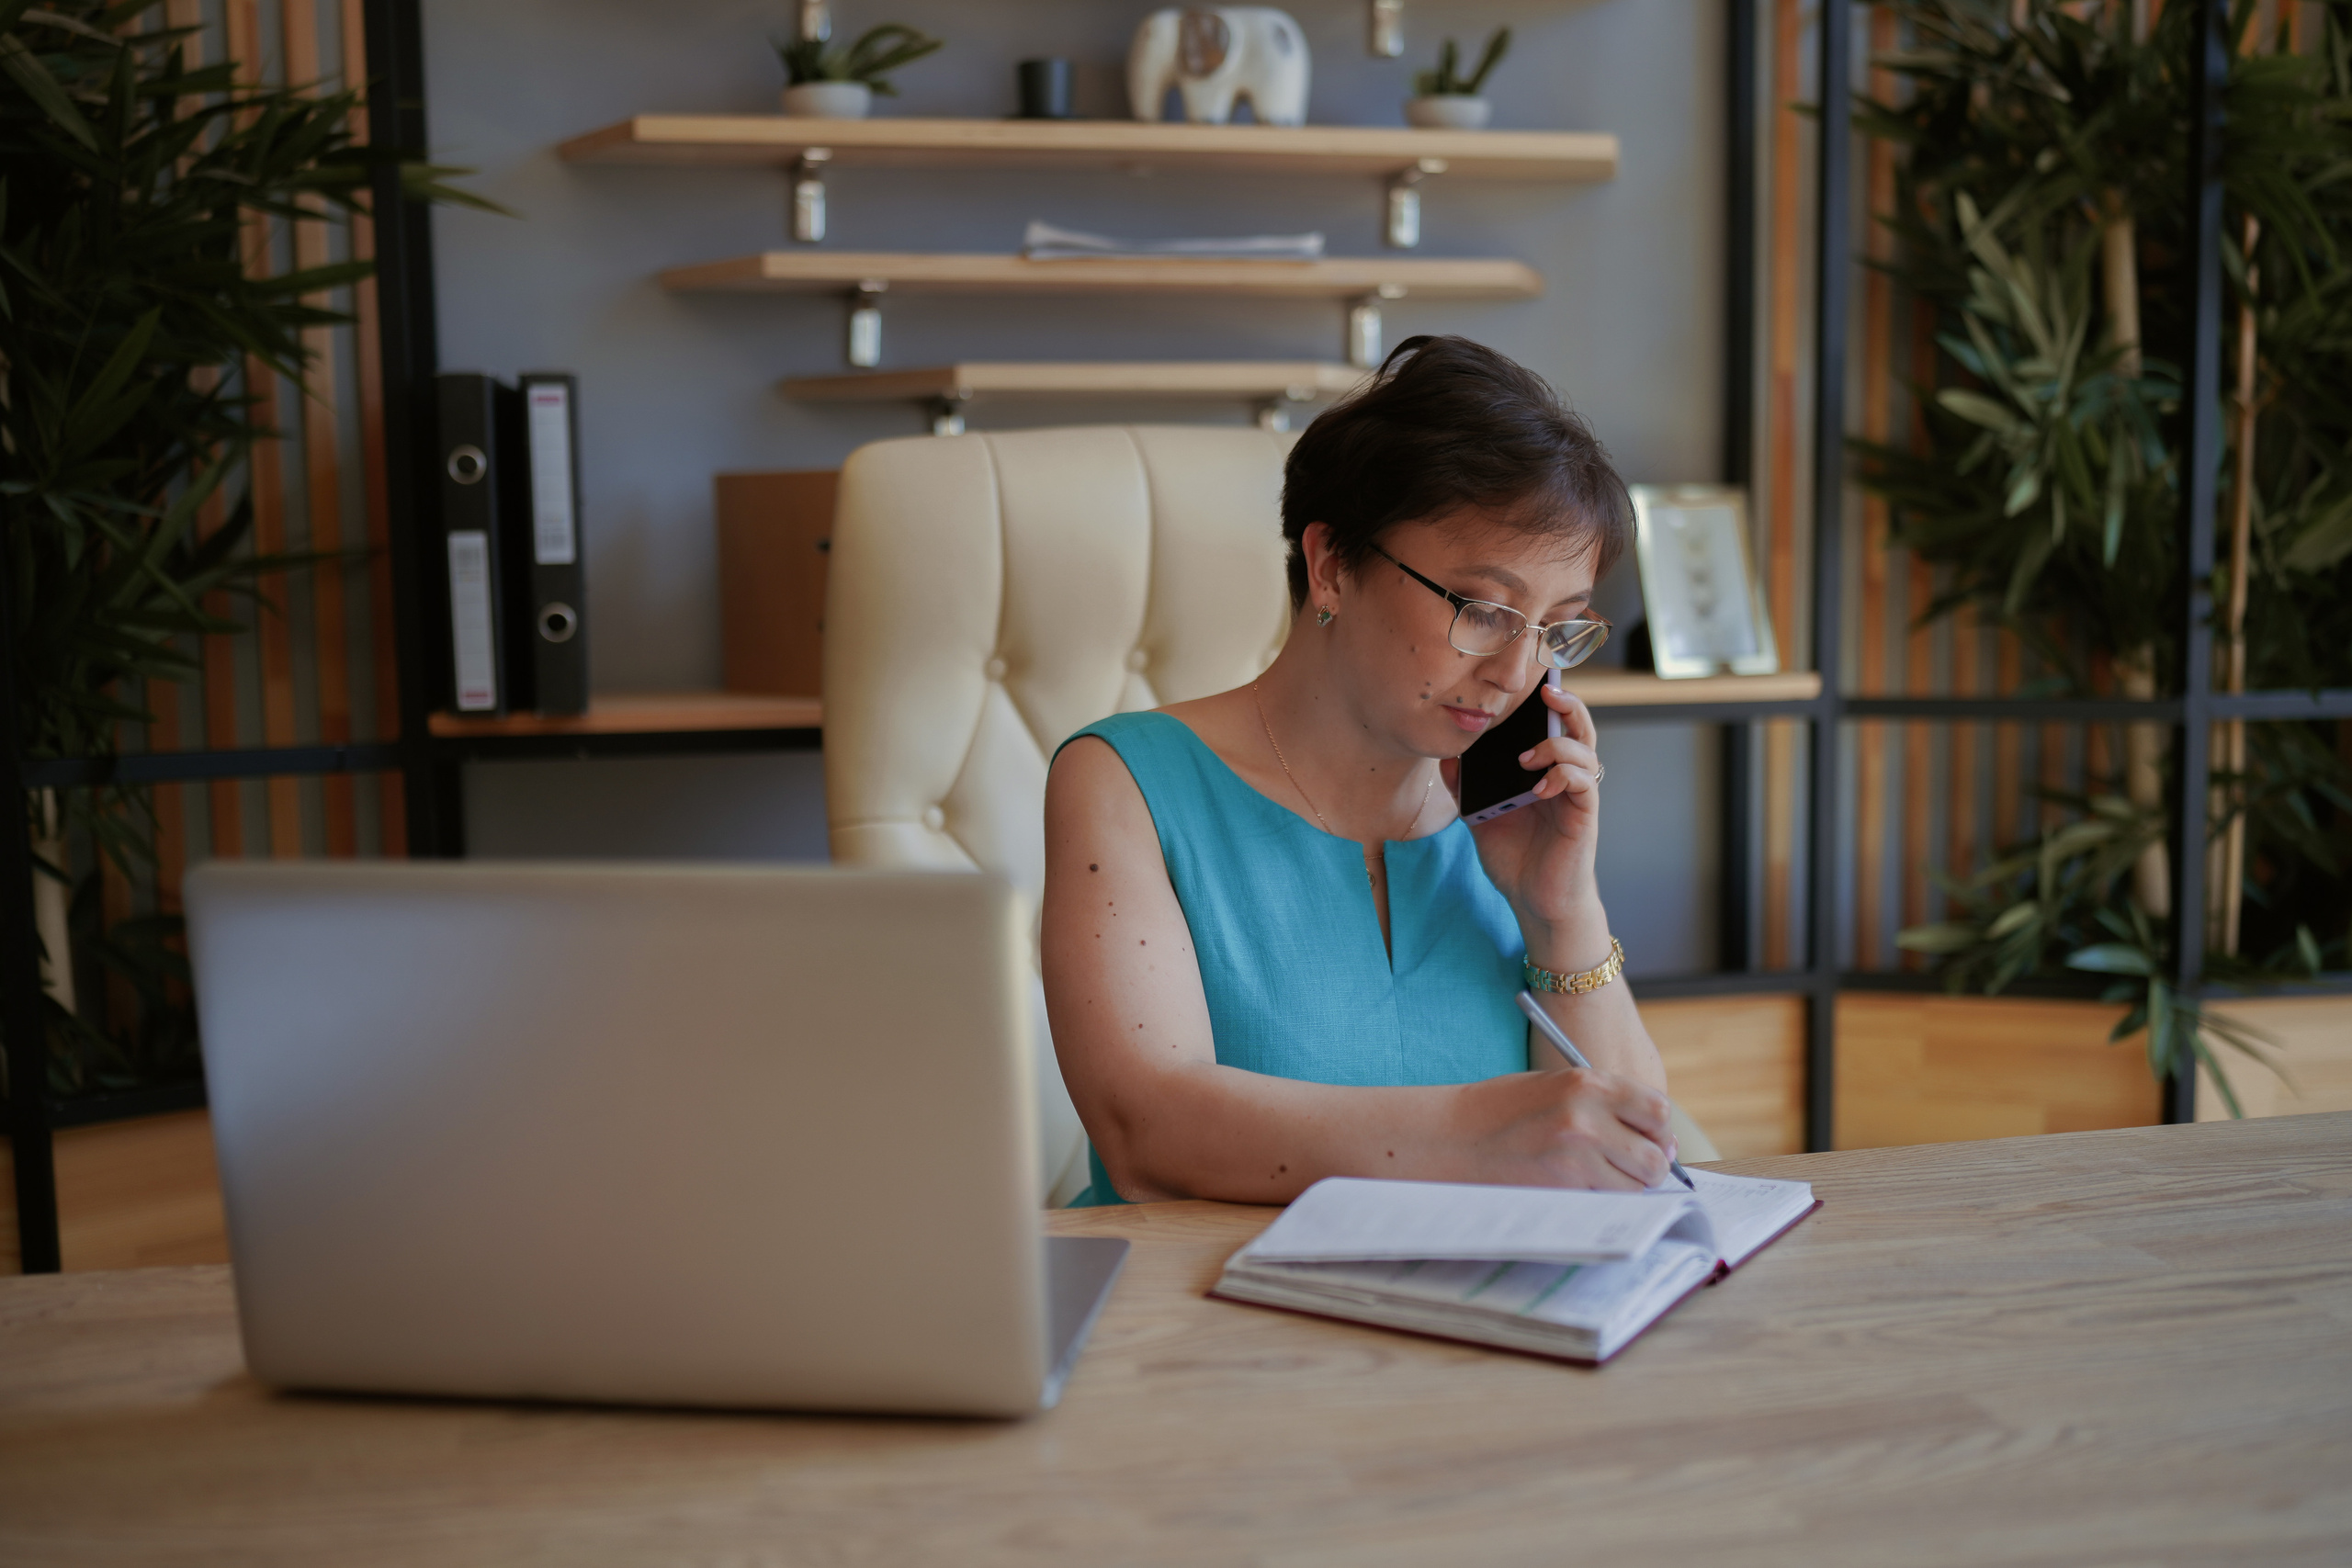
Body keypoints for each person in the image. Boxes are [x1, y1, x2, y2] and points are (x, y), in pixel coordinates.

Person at [1041, 335, 1679, 1208]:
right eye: (1486, 610)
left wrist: (1562, 913)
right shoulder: (1123, 782)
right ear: (1332, 564)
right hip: (1199, 1320)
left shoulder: (1510, 819)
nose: (1518, 672)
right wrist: (1483, 1138)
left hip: (1476, 1317)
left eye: (1557, 628)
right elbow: (1149, 1130)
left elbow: (1635, 1161)